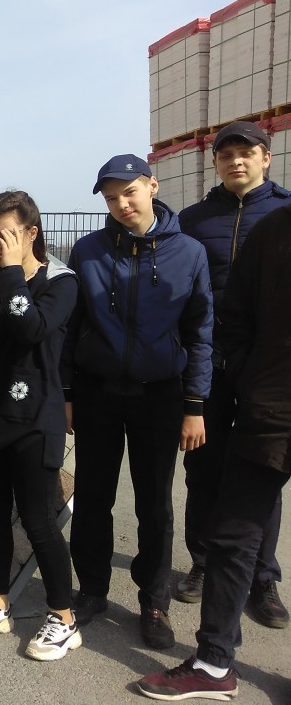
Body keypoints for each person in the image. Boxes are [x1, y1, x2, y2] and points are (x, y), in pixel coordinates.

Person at [135, 203, 291, 701]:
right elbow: (234, 316)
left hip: (268, 400)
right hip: (274, 407)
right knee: (232, 537)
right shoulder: (275, 231)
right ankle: (215, 662)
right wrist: (252, 377)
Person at [64, 154, 212, 649]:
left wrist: (195, 404)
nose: (122, 204)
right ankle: (91, 590)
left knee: (155, 504)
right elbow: (71, 328)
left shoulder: (188, 252)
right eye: (111, 198)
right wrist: (67, 393)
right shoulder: (88, 250)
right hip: (97, 392)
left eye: (129, 192)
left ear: (152, 185)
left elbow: (200, 332)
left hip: (159, 395)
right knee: (93, 497)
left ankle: (154, 600)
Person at [0, 190, 80, 660]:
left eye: (5, 235)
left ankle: (63, 617)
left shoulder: (60, 283)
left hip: (34, 419)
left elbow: (31, 331)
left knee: (38, 519)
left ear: (31, 233)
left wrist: (9, 273)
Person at [174, 121, 290, 627]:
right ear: (216, 163)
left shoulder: (285, 214)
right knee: (203, 467)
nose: (236, 161)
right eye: (226, 155)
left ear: (266, 157)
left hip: (270, 369)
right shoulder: (194, 219)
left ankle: (262, 577)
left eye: (246, 152)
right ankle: (203, 562)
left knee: (264, 469)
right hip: (210, 362)